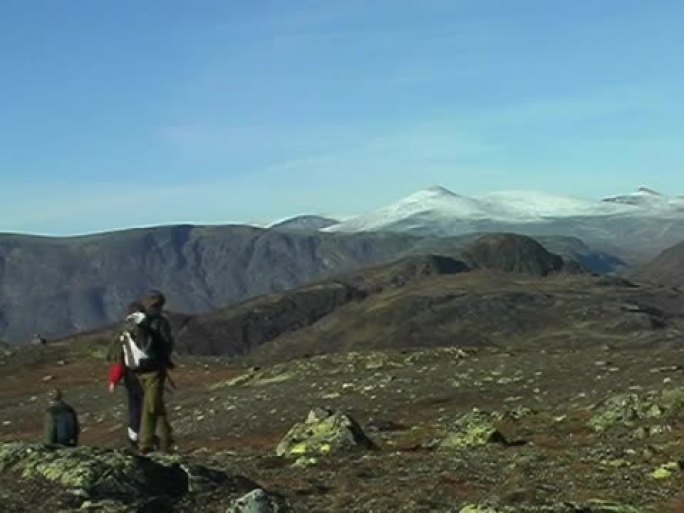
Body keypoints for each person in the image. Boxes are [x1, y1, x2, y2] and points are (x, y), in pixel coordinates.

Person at [136, 290, 175, 453]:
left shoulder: (136, 321)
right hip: (154, 369)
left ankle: (164, 438)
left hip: (137, 370)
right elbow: (167, 344)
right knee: (152, 405)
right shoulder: (160, 322)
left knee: (152, 402)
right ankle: (148, 442)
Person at [108, 301, 147, 448]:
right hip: (147, 374)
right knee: (147, 405)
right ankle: (147, 435)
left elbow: (120, 362)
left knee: (134, 406)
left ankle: (134, 435)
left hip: (131, 377)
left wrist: (114, 380)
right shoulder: (148, 329)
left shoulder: (125, 333)